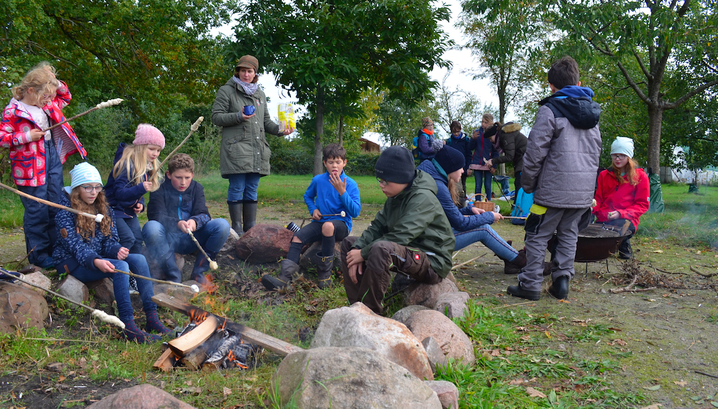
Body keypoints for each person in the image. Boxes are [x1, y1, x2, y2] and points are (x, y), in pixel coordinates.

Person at [507, 56, 602, 301]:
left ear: (551, 86)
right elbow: (595, 154)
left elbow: (534, 152)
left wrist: (527, 184)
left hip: (551, 190)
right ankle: (561, 282)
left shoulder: (549, 110)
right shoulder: (592, 114)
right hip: (581, 192)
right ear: (578, 82)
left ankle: (530, 285)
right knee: (569, 234)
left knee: (537, 234)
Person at [53, 163, 171, 343]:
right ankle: (127, 326)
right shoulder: (65, 212)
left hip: (97, 256)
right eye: (88, 187)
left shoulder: (102, 207)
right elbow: (75, 246)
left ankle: (152, 318)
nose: (94, 192)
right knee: (121, 266)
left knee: (138, 259)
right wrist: (96, 261)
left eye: (97, 187)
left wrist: (116, 249)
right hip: (73, 262)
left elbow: (109, 239)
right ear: (77, 189)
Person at [340, 146, 455, 315]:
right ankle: (356, 306)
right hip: (406, 251)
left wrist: (363, 254)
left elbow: (402, 235)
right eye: (379, 180)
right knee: (348, 244)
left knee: (381, 249)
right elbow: (377, 226)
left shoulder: (423, 198)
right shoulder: (395, 195)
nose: (381, 185)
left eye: (385, 181)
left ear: (403, 178)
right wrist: (357, 250)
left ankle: (370, 314)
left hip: (431, 260)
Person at [0, 62, 86, 268]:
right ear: (30, 90)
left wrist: (54, 81)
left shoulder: (46, 102)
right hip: (29, 165)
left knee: (55, 204)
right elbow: (3, 138)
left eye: (50, 96)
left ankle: (56, 250)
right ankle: (38, 256)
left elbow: (65, 96)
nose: (49, 100)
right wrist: (26, 136)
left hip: (50, 155)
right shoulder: (14, 110)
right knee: (37, 210)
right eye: (45, 96)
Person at [211, 55, 293, 236]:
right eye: (242, 70)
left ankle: (250, 228)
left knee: (251, 189)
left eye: (249, 71)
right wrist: (238, 116)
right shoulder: (226, 91)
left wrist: (281, 130)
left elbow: (266, 123)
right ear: (238, 71)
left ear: (255, 73)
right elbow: (216, 117)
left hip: (257, 151)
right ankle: (237, 228)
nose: (246, 74)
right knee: (237, 187)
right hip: (236, 150)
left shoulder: (260, 94)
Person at [261, 144, 361, 291]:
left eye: (338, 162)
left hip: (341, 225)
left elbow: (355, 212)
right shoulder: (318, 180)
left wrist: (342, 192)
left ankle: (325, 275)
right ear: (325, 163)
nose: (335, 165)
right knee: (297, 237)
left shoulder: (350, 184)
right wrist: (313, 209)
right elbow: (308, 196)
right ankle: (284, 279)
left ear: (344, 163)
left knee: (328, 226)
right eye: (331, 162)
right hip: (320, 221)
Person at [418, 146, 526, 274]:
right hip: (430, 242)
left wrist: (470, 210)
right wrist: (490, 216)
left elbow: (446, 216)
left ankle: (512, 258)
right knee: (484, 229)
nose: (463, 171)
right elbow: (460, 223)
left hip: (429, 235)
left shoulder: (431, 178)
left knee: (483, 226)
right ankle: (520, 262)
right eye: (461, 167)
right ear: (450, 167)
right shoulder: (438, 187)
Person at [143, 154, 230, 284]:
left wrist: (195, 221)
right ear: (168, 174)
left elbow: (203, 213)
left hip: (191, 239)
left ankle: (199, 272)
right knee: (151, 228)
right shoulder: (158, 188)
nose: (183, 182)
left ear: (193, 175)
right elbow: (155, 215)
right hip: (166, 239)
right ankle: (173, 274)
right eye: (178, 177)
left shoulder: (197, 188)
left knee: (222, 225)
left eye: (187, 178)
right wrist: (177, 224)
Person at [105, 124, 164, 255]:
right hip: (113, 209)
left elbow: (136, 192)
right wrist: (140, 189)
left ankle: (137, 271)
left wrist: (140, 204)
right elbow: (119, 193)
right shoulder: (126, 165)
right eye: (152, 149)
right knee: (128, 239)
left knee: (137, 240)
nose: (155, 154)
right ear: (141, 146)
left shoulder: (144, 166)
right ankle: (118, 267)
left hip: (128, 209)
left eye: (158, 150)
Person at [593, 137, 649, 259]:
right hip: (604, 218)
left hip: (627, 219)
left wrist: (620, 213)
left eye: (621, 155)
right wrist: (592, 209)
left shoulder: (641, 177)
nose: (617, 159)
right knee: (594, 235)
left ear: (628, 157)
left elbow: (642, 205)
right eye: (615, 155)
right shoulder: (604, 175)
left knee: (618, 230)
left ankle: (624, 246)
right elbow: (598, 200)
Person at [486, 121, 527, 201]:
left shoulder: (505, 136)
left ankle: (518, 207)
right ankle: (517, 206)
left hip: (525, 158)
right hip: (521, 158)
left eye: (490, 138)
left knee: (519, 184)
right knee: (518, 183)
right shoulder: (503, 135)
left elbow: (509, 156)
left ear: (494, 134)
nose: (490, 141)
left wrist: (493, 161)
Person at [469, 116, 499, 200]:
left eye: (485, 122)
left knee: (487, 185)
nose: (483, 124)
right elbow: (470, 148)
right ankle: (478, 202)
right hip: (477, 161)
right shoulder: (477, 133)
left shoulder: (493, 134)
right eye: (482, 122)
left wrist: (494, 165)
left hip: (488, 163)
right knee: (478, 184)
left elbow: (496, 151)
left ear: (490, 123)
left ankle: (488, 202)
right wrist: (473, 139)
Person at [445, 121, 473, 198]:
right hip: (453, 168)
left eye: (458, 132)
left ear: (461, 129)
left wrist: (468, 167)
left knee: (462, 185)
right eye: (454, 132)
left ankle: (462, 201)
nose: (456, 134)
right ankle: (454, 200)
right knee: (453, 185)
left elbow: (469, 155)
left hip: (463, 167)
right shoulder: (449, 141)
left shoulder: (466, 140)